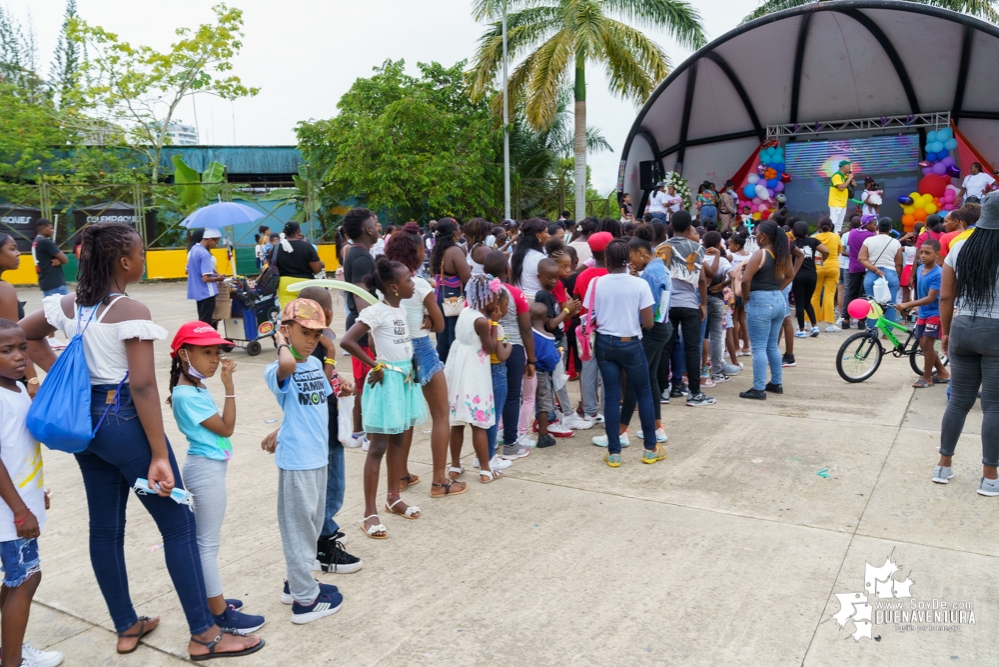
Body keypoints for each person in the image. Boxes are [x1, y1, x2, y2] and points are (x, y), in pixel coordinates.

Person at [20, 222, 263, 658]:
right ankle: (205, 635)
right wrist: (157, 454)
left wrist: (57, 370)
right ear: (125, 261)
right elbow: (145, 387)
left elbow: (24, 331)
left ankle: (126, 625)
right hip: (122, 421)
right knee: (178, 523)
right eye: (140, 252)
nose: (144, 259)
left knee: (106, 528)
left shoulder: (70, 304)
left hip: (85, 426)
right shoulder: (131, 311)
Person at [166, 322, 267, 635]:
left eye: (217, 352)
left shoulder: (194, 386)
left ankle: (214, 602)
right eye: (206, 352)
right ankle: (220, 613)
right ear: (184, 354)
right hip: (204, 470)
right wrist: (229, 386)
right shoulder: (186, 394)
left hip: (208, 467)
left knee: (204, 542)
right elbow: (226, 428)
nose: (215, 358)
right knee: (207, 544)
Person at [262, 299, 344, 623]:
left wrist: (335, 364)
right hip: (297, 462)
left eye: (316, 333)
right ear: (287, 330)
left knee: (309, 528)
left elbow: (320, 396)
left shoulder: (311, 363)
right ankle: (305, 601)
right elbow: (287, 367)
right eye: (305, 332)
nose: (311, 340)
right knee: (298, 530)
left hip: (317, 457)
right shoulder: (280, 368)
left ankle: (295, 583)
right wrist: (281, 342)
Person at [340, 259, 427, 538]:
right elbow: (348, 341)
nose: (412, 283)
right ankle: (369, 513)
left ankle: (393, 497)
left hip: (403, 381)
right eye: (408, 280)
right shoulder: (376, 312)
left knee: (399, 440)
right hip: (386, 381)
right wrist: (374, 365)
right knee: (378, 447)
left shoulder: (399, 308)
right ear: (393, 287)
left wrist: (412, 363)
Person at [384, 225, 468, 498]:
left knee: (406, 419)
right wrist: (432, 320)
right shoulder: (419, 285)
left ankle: (400, 476)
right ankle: (440, 481)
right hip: (422, 349)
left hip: (396, 353)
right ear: (415, 253)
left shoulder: (385, 286)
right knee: (441, 414)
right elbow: (442, 325)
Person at [0, 319, 64, 667]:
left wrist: (36, 494)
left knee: (16, 579)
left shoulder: (16, 388)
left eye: (22, 347)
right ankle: (12, 660)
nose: (19, 356)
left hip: (21, 504)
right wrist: (20, 509)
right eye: (6, 350)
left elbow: (18, 450)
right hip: (10, 513)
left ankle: (10, 649)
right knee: (27, 578)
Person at [286, 286, 362, 572]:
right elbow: (314, 381)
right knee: (331, 489)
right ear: (329, 314)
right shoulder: (314, 345)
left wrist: (339, 381)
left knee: (333, 487)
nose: (312, 337)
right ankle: (323, 544)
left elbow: (323, 380)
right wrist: (330, 352)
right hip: (321, 430)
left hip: (329, 424)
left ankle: (323, 535)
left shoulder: (315, 342)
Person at [934, 191, 999, 495]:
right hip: (996, 331)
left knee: (958, 400)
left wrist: (946, 333)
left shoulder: (959, 247)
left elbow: (947, 296)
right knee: (995, 406)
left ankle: (943, 465)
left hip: (962, 327)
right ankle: (989, 477)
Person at [584, 239, 664, 467]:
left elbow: (591, 316)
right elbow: (649, 324)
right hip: (631, 343)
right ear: (628, 260)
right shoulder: (639, 285)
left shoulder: (596, 283)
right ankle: (650, 449)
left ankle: (614, 453)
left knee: (610, 396)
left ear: (607, 260)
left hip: (604, 344)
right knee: (644, 393)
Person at [441, 274, 507, 484]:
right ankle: (486, 470)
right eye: (494, 297)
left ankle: (455, 465)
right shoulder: (480, 320)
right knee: (478, 422)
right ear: (485, 297)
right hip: (474, 371)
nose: (496, 302)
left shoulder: (466, 312)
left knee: (458, 421)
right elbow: (489, 348)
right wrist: (494, 323)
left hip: (458, 366)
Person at [738, 221, 802, 400]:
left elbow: (745, 280)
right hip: (778, 300)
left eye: (757, 233)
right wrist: (777, 289)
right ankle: (776, 382)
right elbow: (790, 276)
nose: (756, 236)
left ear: (763, 236)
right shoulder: (782, 254)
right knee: (772, 345)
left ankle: (758, 388)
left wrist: (746, 298)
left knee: (758, 347)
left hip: (760, 301)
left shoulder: (760, 254)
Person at [483, 251, 537, 458]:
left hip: (487, 349)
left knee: (491, 396)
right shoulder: (515, 293)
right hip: (513, 348)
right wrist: (531, 359)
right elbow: (526, 329)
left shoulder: (479, 293)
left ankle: (491, 440)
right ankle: (511, 444)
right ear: (507, 270)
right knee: (513, 396)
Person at [658, 211, 715, 407]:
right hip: (690, 304)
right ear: (689, 228)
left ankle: (663, 391)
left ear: (671, 226)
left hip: (667, 306)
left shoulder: (660, 248)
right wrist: (704, 303)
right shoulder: (697, 248)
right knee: (692, 349)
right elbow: (701, 279)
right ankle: (694, 393)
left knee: (665, 348)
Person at [342, 208, 379, 449]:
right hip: (364, 331)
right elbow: (362, 299)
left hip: (359, 328)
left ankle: (358, 432)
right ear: (367, 229)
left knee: (362, 384)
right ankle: (368, 436)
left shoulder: (355, 253)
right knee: (370, 384)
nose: (379, 227)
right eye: (375, 224)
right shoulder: (362, 257)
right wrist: (373, 332)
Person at [534, 257, 582, 435]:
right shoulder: (543, 295)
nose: (554, 281)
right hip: (551, 342)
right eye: (549, 278)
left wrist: (571, 310)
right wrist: (567, 310)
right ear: (539, 277)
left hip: (557, 340)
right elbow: (551, 323)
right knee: (551, 382)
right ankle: (552, 419)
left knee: (557, 380)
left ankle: (556, 416)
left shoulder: (551, 293)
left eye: (556, 277)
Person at [574, 232, 613, 426]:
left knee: (588, 369)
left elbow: (579, 299)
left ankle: (590, 411)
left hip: (587, 329)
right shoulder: (612, 275)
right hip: (608, 328)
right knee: (608, 370)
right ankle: (609, 409)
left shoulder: (583, 276)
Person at [898, 240, 948, 388]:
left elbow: (931, 298)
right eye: (921, 253)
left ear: (937, 254)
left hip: (935, 312)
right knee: (923, 344)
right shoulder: (920, 270)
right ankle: (942, 372)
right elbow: (920, 292)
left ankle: (927, 378)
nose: (923, 256)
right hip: (923, 312)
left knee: (927, 343)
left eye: (928, 253)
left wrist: (908, 304)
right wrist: (916, 305)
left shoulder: (939, 274)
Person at [0, 233, 40, 395]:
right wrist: (32, 379)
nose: (18, 253)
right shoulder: (3, 289)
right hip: (8, 377)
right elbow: (14, 339)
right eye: (12, 249)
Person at [429, 218, 470, 363]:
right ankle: (453, 370)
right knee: (454, 337)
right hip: (454, 299)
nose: (460, 230)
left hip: (440, 295)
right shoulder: (454, 251)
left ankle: (440, 368)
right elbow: (467, 278)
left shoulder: (437, 250)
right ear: (454, 232)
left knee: (442, 337)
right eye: (458, 228)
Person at [859, 217, 903, 323]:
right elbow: (899, 264)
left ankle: (871, 330)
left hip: (871, 274)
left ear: (877, 227)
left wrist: (875, 270)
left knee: (872, 304)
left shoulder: (868, 241)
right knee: (891, 304)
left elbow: (861, 258)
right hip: (891, 274)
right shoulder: (896, 243)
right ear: (890, 229)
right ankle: (887, 332)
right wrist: (898, 279)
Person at [791, 220, 828, 337]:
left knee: (799, 304)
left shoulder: (792, 243)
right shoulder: (813, 241)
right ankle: (814, 326)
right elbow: (826, 251)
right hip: (812, 274)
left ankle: (801, 330)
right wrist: (821, 261)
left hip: (798, 275)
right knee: (808, 302)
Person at [273, 222, 323, 310]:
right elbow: (316, 269)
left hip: (285, 285)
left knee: (289, 315)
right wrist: (321, 264)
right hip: (305, 285)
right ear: (298, 231)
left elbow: (272, 266)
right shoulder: (307, 246)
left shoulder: (277, 247)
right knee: (306, 315)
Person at [186, 228, 226, 326]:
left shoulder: (194, 249)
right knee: (207, 322)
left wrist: (213, 272)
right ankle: (208, 340)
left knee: (202, 319)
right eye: (216, 242)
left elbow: (189, 269)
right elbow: (206, 279)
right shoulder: (205, 254)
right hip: (207, 293)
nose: (216, 245)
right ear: (210, 240)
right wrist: (219, 278)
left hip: (198, 292)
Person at [842, 216, 876, 330]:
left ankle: (845, 320)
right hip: (867, 267)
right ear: (867, 224)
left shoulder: (851, 233)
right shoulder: (871, 236)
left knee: (851, 293)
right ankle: (861, 321)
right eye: (873, 224)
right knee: (864, 294)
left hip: (853, 267)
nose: (875, 226)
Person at [811, 217, 842, 332]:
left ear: (818, 227)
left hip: (818, 267)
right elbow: (839, 251)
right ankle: (829, 324)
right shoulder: (836, 236)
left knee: (814, 295)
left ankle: (812, 323)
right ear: (831, 226)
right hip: (833, 267)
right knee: (829, 295)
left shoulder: (814, 238)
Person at [510, 218, 549, 302]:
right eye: (546, 232)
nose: (549, 235)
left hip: (516, 300)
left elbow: (511, 283)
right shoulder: (541, 259)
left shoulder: (513, 256)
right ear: (538, 235)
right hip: (537, 303)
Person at [32, 219, 68, 300]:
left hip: (45, 280)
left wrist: (59, 260)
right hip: (55, 283)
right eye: (50, 228)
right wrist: (60, 260)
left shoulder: (36, 242)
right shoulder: (45, 242)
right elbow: (65, 259)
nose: (53, 230)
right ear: (43, 229)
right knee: (64, 310)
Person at [829, 160, 855, 233]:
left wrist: (852, 182)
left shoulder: (845, 176)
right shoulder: (837, 176)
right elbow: (841, 187)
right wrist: (849, 178)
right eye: (849, 166)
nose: (850, 168)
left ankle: (837, 239)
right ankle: (830, 237)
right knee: (833, 223)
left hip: (842, 204)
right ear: (843, 167)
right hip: (836, 204)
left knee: (839, 224)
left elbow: (854, 184)